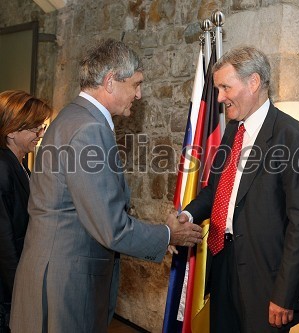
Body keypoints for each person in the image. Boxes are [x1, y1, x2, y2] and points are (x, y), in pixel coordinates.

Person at [9, 39, 202, 332]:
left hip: (53, 276)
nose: (139, 94)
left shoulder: (69, 117)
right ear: (111, 81)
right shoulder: (89, 129)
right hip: (67, 288)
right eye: (136, 84)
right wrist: (167, 235)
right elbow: (111, 227)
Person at [177, 46, 299, 333]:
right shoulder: (233, 130)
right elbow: (215, 191)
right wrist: (187, 216)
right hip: (224, 264)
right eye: (217, 89)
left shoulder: (291, 135)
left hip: (266, 278)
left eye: (225, 87)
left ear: (253, 82)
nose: (219, 98)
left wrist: (284, 293)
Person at [0, 90, 52, 333]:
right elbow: (4, 240)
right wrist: (19, 291)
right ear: (11, 130)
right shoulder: (2, 167)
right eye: (34, 128)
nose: (40, 134)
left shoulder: (21, 166)